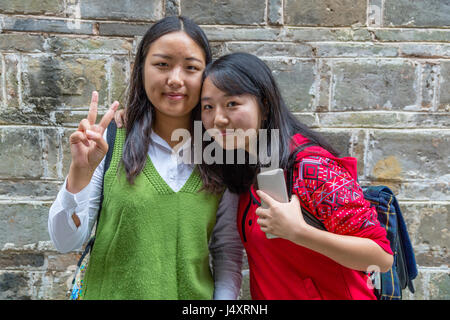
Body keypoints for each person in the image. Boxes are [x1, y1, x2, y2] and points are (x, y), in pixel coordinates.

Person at [48, 16, 243, 300]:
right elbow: (64, 241)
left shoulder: (220, 154)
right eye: (162, 64)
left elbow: (227, 252)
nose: (175, 79)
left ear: (207, 77)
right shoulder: (111, 141)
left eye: (191, 68)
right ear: (141, 69)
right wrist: (79, 173)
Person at [197, 52, 394, 300]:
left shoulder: (310, 167)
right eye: (208, 107)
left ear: (265, 105)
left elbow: (381, 257)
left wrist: (299, 232)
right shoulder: (246, 169)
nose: (218, 119)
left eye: (232, 104)